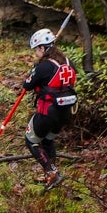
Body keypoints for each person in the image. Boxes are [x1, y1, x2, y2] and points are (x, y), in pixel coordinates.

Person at [22, 27, 77, 190]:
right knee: (47, 140)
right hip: (65, 112)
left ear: (42, 48)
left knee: (31, 140)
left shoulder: (44, 66)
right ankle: (51, 174)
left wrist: (34, 71)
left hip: (48, 112)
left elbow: (27, 85)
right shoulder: (68, 62)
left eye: (36, 50)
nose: (35, 54)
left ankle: (51, 172)